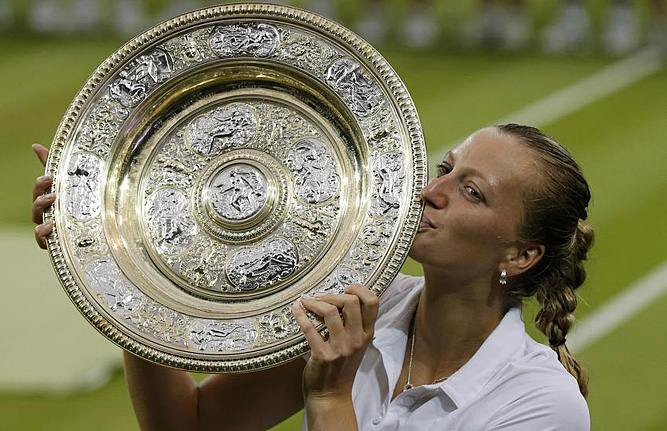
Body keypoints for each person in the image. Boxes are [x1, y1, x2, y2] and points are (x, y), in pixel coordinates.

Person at [31, 123, 593, 430]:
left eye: (471, 192)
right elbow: (190, 426)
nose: (431, 191)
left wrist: (329, 397)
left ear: (521, 254)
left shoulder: (543, 405)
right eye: (445, 168)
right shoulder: (360, 305)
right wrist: (125, 264)